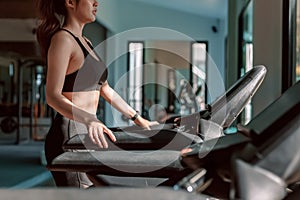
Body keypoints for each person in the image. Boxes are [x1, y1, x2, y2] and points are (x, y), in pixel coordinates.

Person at [36, 0, 157, 188]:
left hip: (87, 128)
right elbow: (52, 96)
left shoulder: (87, 42)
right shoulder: (63, 39)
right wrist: (89, 119)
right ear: (70, 2)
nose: (96, 2)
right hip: (70, 130)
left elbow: (105, 89)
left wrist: (137, 118)